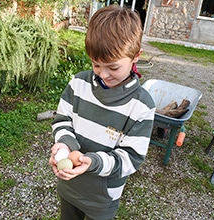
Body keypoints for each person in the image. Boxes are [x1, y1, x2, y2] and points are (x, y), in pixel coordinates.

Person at [49, 5, 155, 220]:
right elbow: (63, 120)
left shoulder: (141, 106)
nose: (103, 74)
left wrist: (93, 162)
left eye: (113, 67)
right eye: (96, 65)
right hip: (69, 185)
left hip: (102, 197)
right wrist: (64, 144)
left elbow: (131, 158)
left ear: (136, 56)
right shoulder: (78, 83)